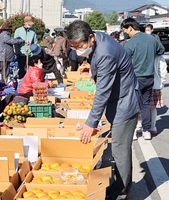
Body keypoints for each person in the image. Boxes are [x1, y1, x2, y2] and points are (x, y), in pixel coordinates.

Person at [66, 20, 141, 200]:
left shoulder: (105, 53)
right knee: (118, 148)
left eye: (80, 45)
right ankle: (120, 186)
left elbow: (103, 92)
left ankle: (121, 192)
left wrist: (90, 123)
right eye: (74, 46)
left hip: (125, 102)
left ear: (91, 37)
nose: (78, 50)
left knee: (119, 150)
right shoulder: (98, 41)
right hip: (117, 100)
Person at [121, 18, 165, 140]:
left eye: (125, 30)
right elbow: (161, 50)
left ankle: (134, 131)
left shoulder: (130, 43)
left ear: (130, 28)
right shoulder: (151, 39)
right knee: (146, 104)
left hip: (135, 78)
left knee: (133, 105)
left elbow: (124, 61)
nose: (125, 32)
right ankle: (147, 130)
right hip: (149, 78)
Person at [150, 55, 167, 134]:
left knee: (139, 107)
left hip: (140, 82)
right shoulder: (158, 53)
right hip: (155, 84)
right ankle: (152, 127)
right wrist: (162, 82)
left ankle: (139, 127)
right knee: (153, 108)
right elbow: (163, 70)